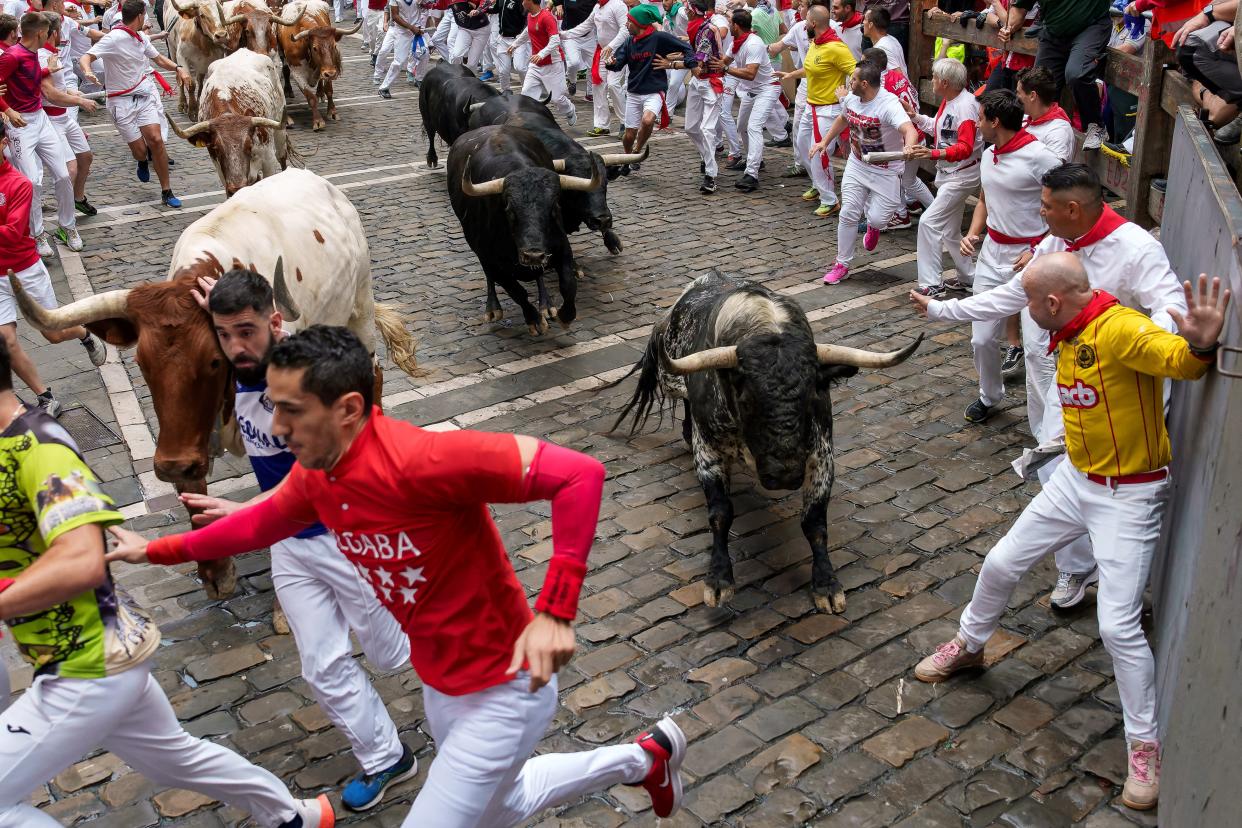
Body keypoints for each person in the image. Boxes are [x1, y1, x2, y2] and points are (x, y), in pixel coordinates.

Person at [107, 325, 690, 826]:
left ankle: (642, 760)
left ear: (349, 409)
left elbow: (579, 476)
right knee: (503, 807)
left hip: (507, 688)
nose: (277, 428)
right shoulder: (317, 475)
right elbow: (254, 529)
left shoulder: (426, 461)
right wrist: (151, 550)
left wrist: (556, 610)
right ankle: (645, 760)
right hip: (441, 688)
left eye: (291, 410)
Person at [913, 256, 1232, 813]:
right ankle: (969, 645)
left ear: (1052, 304)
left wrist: (1201, 347)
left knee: (1117, 625)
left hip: (1128, 495)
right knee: (1000, 563)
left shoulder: (1121, 329)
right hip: (1076, 479)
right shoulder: (1071, 325)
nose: (1026, 311)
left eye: (1030, 303)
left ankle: (1144, 747)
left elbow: (1177, 362)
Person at [0, 338, 335, 828]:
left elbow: (82, 561)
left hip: (89, 665)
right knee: (173, 758)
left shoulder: (37, 448)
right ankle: (296, 815)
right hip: (100, 655)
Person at [183, 269, 417, 813]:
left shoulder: (309, 378)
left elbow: (316, 476)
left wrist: (247, 511)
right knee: (322, 664)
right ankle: (387, 757)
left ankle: (447, 646)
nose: (236, 347)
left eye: (246, 331)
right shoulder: (237, 362)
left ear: (276, 321)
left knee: (389, 655)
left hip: (348, 537)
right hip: (290, 546)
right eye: (223, 333)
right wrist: (210, 310)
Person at [910, 162, 1188, 608]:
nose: (1039, 215)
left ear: (1073, 208)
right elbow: (1014, 293)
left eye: (1045, 207)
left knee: (1122, 487)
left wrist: (1141, 347)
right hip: (1072, 382)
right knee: (1056, 462)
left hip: (1127, 395)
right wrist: (944, 311)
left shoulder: (1136, 248)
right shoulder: (1058, 242)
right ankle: (1075, 569)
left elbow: (1170, 307)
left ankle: (1123, 581)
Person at [0, 123, 107, 418]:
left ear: (4, 142)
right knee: (5, 341)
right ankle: (45, 396)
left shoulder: (19, 184)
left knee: (53, 334)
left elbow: (12, 231)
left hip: (25, 272)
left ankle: (85, 333)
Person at [812, 58, 918, 283]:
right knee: (848, 213)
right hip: (857, 165)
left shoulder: (888, 104)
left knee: (880, 219)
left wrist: (909, 145)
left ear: (865, 84)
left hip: (886, 170)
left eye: (853, 80)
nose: (849, 83)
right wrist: (824, 142)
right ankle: (842, 263)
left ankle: (874, 226)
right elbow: (843, 118)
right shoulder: (851, 99)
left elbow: (909, 129)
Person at [80, 0, 188, 208]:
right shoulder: (114, 38)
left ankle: (166, 190)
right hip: (121, 102)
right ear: (139, 17)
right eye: (144, 17)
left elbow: (159, 60)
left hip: (144, 96)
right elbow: (87, 57)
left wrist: (178, 68)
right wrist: (87, 71)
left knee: (156, 140)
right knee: (140, 151)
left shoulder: (141, 38)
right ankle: (141, 159)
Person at [0, 12, 81, 254]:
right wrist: (8, 110)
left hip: (41, 120)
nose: (50, 34)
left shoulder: (33, 53)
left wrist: (47, 71)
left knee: (64, 174)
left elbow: (27, 78)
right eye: (47, 31)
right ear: (39, 33)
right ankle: (37, 234)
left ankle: (68, 226)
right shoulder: (11, 56)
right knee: (33, 181)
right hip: (20, 125)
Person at [906, 57, 981, 298]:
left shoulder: (965, 106)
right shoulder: (950, 101)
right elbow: (940, 129)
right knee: (950, 231)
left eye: (935, 77)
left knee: (929, 222)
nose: (933, 81)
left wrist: (934, 152)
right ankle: (969, 277)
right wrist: (916, 117)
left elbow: (965, 146)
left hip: (961, 175)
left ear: (946, 82)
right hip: (951, 174)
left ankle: (932, 282)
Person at [777, 2, 854, 215]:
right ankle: (819, 184)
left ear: (813, 23)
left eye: (805, 22)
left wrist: (848, 94)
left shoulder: (836, 47)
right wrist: (791, 75)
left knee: (818, 153)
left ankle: (829, 199)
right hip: (812, 105)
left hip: (828, 110)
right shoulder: (816, 44)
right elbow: (811, 68)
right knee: (802, 146)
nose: (803, 25)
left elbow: (855, 71)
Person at [1002, 0, 1111, 150]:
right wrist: (1008, 28)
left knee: (1076, 74)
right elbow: (1019, 8)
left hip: (1090, 27)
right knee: (1037, 85)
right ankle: (1034, 140)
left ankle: (1096, 125)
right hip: (1053, 31)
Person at [603, 3, 693, 170]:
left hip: (654, 90)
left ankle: (637, 151)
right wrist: (611, 64)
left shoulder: (659, 38)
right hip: (634, 92)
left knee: (648, 119)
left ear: (640, 23)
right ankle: (628, 157)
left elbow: (687, 48)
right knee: (629, 134)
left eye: (629, 21)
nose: (625, 25)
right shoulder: (629, 41)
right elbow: (618, 63)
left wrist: (675, 63)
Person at [715, 7, 786, 190]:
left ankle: (751, 174)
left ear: (736, 25)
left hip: (767, 89)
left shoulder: (754, 43)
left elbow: (750, 73)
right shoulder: (737, 42)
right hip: (752, 90)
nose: (729, 25)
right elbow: (725, 62)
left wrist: (725, 69)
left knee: (754, 126)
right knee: (742, 127)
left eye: (731, 23)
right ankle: (756, 160)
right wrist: (707, 62)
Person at [677, 0, 728, 192]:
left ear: (692, 12)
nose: (685, 13)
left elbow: (698, 65)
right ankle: (707, 158)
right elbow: (690, 57)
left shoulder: (706, 30)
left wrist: (669, 63)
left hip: (710, 83)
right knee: (691, 127)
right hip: (699, 83)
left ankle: (710, 175)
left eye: (687, 10)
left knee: (707, 129)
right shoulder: (694, 28)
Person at [562, 0, 628, 136]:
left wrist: (611, 46)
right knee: (598, 86)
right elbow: (585, 26)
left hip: (619, 52)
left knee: (613, 85)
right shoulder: (598, 7)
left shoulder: (618, 5)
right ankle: (601, 125)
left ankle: (626, 124)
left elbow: (625, 29)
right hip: (603, 52)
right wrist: (564, 34)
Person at [510, 0, 577, 124]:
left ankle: (570, 110)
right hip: (535, 65)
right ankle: (530, 122)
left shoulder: (547, 17)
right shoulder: (530, 15)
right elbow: (527, 32)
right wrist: (515, 44)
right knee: (526, 95)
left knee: (558, 98)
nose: (522, 2)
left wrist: (541, 54)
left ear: (531, 1)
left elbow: (555, 40)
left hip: (553, 64)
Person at [1016, 65, 1074, 162]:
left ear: (1032, 96)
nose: (1016, 96)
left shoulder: (1057, 131)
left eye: (1019, 93)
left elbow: (1054, 171)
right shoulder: (1026, 117)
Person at [375, 0, 429, 96]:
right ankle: (384, 87)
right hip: (402, 32)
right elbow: (395, 16)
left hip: (416, 30)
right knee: (399, 61)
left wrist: (424, 4)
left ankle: (419, 79)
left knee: (425, 53)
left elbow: (428, 4)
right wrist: (411, 28)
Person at [493, 0, 530, 92]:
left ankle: (528, 91)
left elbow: (527, 16)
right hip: (503, 39)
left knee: (520, 68)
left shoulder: (521, 1)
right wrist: (479, 10)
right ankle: (506, 91)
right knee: (503, 70)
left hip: (518, 38)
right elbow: (495, 9)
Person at [449, 0, 493, 69]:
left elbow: (486, 1)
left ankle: (467, 78)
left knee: (472, 64)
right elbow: (441, 5)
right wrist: (430, 6)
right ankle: (455, 75)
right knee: (456, 55)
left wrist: (478, 10)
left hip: (481, 30)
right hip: (464, 29)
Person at [862, 5, 904, 75]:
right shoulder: (891, 39)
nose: (863, 22)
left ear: (870, 24)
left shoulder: (882, 47)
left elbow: (898, 76)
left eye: (865, 19)